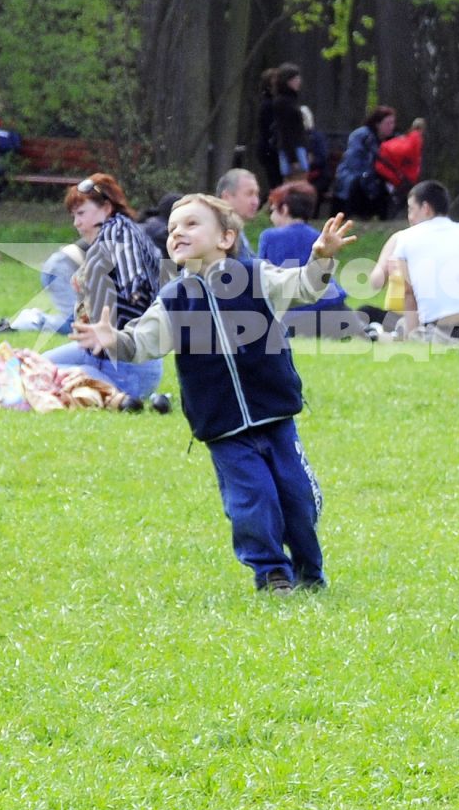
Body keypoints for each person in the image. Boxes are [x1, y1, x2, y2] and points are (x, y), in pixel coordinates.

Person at [72, 195, 356, 593]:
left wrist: (322, 259)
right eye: (172, 229)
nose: (177, 233)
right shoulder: (174, 300)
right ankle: (272, 573)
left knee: (298, 499)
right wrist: (112, 339)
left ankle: (310, 570)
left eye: (190, 224)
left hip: (276, 416)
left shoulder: (256, 277)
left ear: (226, 237)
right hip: (222, 427)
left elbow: (304, 287)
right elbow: (143, 342)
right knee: (252, 502)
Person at [41, 174, 167, 401]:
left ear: (106, 208)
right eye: (73, 216)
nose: (76, 223)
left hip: (126, 372)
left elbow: (132, 276)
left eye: (81, 214)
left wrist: (131, 286)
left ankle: (113, 395)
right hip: (101, 358)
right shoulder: (120, 233)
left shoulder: (119, 232)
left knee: (38, 379)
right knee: (36, 367)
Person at [372, 180, 459, 344]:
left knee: (401, 329)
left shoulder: (406, 238)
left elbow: (409, 294)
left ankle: (378, 335)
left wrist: (411, 336)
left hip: (441, 330)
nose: (410, 217)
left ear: (426, 208)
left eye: (411, 209)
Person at [259, 181, 368, 338]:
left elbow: (261, 278)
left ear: (284, 209)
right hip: (335, 310)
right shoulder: (319, 236)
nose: (271, 216)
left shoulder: (270, 237)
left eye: (273, 210)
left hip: (295, 317)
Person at [332, 106, 396, 218]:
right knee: (366, 184)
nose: (392, 127)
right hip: (353, 176)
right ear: (378, 124)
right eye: (388, 123)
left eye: (393, 123)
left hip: (374, 177)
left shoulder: (391, 140)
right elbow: (354, 162)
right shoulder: (362, 136)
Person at [268, 63, 309, 179]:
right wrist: (293, 159)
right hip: (292, 149)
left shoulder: (292, 100)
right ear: (287, 81)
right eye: (295, 78)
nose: (299, 81)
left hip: (298, 147)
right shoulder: (282, 102)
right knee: (294, 181)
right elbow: (285, 132)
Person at [375, 116, 426, 208]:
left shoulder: (408, 138)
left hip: (390, 167)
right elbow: (413, 157)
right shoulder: (415, 139)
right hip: (399, 171)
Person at [217, 167, 262, 258]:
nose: (255, 202)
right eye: (249, 194)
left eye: (257, 195)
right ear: (226, 197)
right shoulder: (214, 232)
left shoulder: (236, 230)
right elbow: (194, 265)